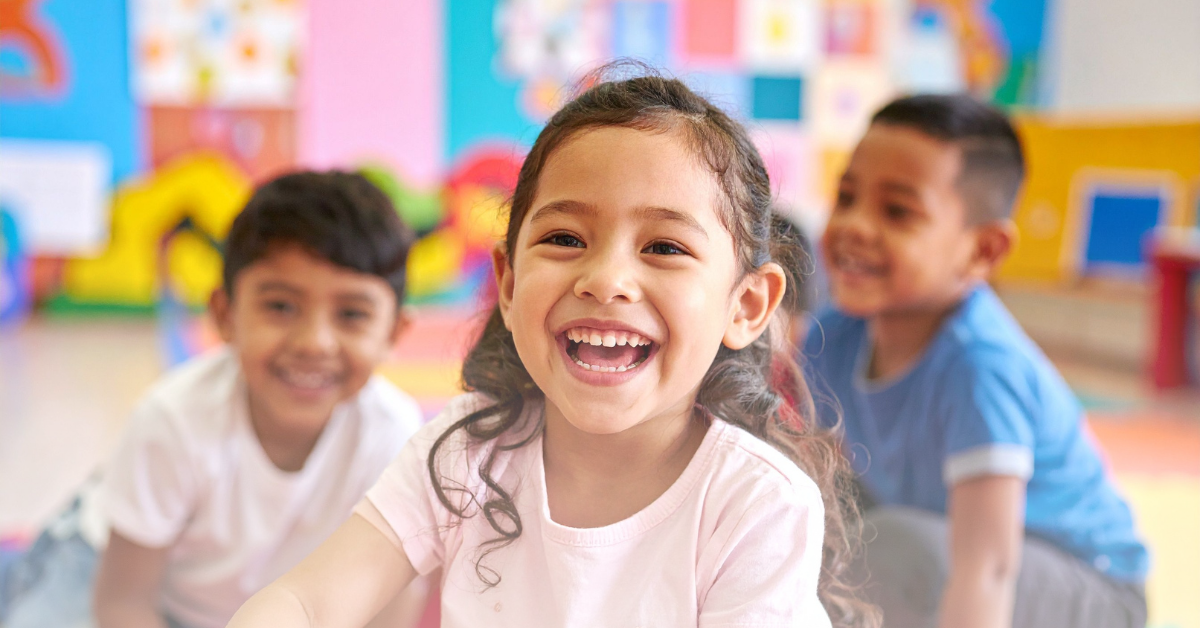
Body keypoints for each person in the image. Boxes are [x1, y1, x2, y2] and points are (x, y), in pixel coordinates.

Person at [228, 70, 875, 628]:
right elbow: (308, 602)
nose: (606, 279)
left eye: (664, 247)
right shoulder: (469, 447)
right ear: (508, 285)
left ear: (747, 306)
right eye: (565, 239)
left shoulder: (757, 503)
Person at [0, 171, 427, 628]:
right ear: (225, 314)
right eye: (280, 306)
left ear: (394, 332)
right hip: (103, 569)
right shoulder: (175, 420)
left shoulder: (395, 437)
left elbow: (389, 605)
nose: (314, 343)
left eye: (351, 314)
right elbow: (123, 604)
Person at [803, 94, 1149, 628]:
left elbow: (988, 570)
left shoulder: (980, 366)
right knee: (814, 515)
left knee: (894, 548)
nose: (854, 225)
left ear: (983, 250)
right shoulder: (834, 337)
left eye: (897, 211)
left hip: (1089, 590)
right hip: (949, 544)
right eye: (846, 197)